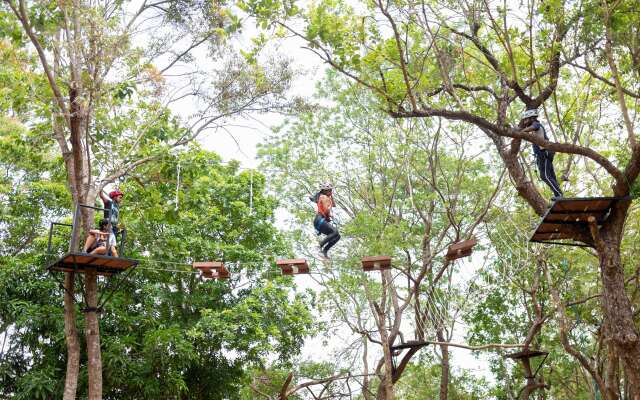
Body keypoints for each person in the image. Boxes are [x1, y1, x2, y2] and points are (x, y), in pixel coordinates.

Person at [520, 108, 564, 199]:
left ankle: (559, 195)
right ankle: (558, 195)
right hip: (543, 154)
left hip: (544, 152)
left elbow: (534, 127)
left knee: (545, 176)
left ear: (532, 118)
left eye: (526, 119)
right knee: (551, 175)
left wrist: (521, 131)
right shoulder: (533, 128)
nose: (524, 122)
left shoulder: (536, 124)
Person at [311, 182, 341, 259]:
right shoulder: (324, 197)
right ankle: (318, 247)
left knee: (337, 236)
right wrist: (328, 217)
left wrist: (331, 196)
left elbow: (334, 205)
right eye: (330, 191)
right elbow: (326, 210)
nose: (331, 192)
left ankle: (324, 251)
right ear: (325, 191)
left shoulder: (326, 197)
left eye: (331, 191)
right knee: (335, 232)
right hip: (320, 219)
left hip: (319, 221)